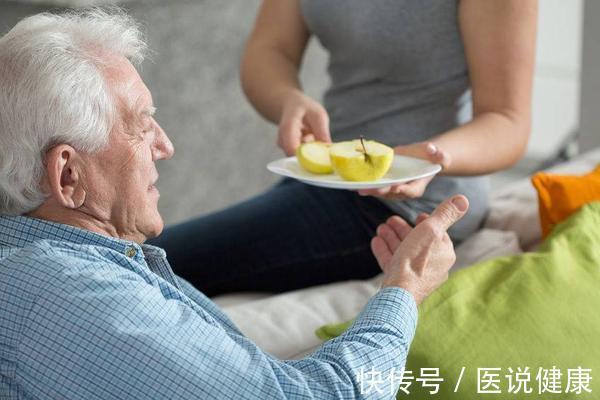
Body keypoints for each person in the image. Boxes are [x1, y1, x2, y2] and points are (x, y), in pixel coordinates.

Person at [0, 9, 469, 399]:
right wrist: (405, 289)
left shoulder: (65, 264)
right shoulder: (84, 299)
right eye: (141, 125)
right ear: (68, 174)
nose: (165, 145)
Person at [150, 0, 537, 297]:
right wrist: (288, 99)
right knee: (134, 258)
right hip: (326, 182)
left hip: (412, 206)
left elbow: (507, 121)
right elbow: (272, 49)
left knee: (150, 262)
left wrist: (429, 159)